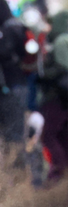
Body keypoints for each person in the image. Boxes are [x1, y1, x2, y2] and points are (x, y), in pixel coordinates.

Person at [0, 0, 28, 152]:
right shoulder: (12, 27)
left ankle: (16, 169)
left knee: (13, 132)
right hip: (8, 85)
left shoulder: (9, 29)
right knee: (6, 130)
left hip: (11, 85)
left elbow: (3, 52)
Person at [37, 11, 68, 184]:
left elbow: (63, 69)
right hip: (61, 97)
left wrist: (44, 73)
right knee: (63, 135)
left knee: (49, 134)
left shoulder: (61, 41)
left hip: (56, 97)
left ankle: (58, 172)